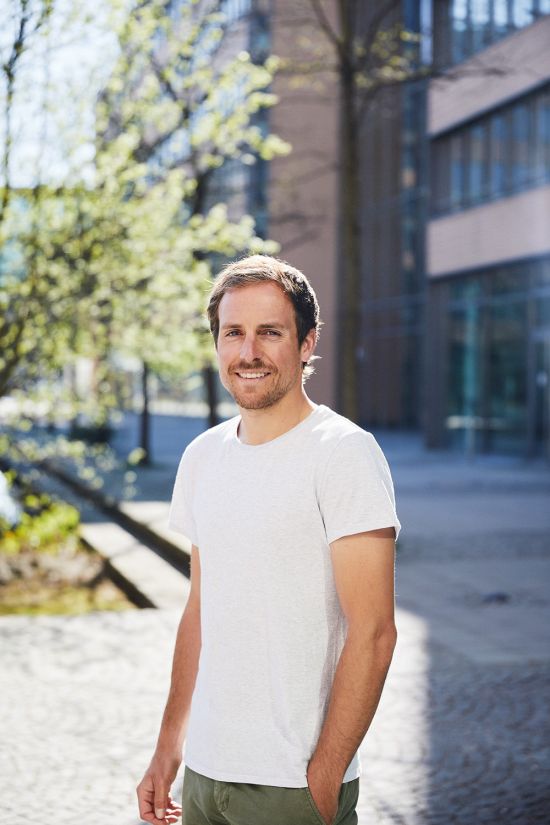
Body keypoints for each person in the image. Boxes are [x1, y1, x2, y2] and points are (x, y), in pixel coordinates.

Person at [136, 254, 401, 825]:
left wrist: (322, 782)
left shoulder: (343, 454)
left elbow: (375, 632)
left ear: (307, 344)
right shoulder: (202, 456)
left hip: (292, 787)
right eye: (233, 332)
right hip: (204, 776)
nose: (248, 352)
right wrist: (168, 749)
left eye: (270, 333)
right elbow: (200, 610)